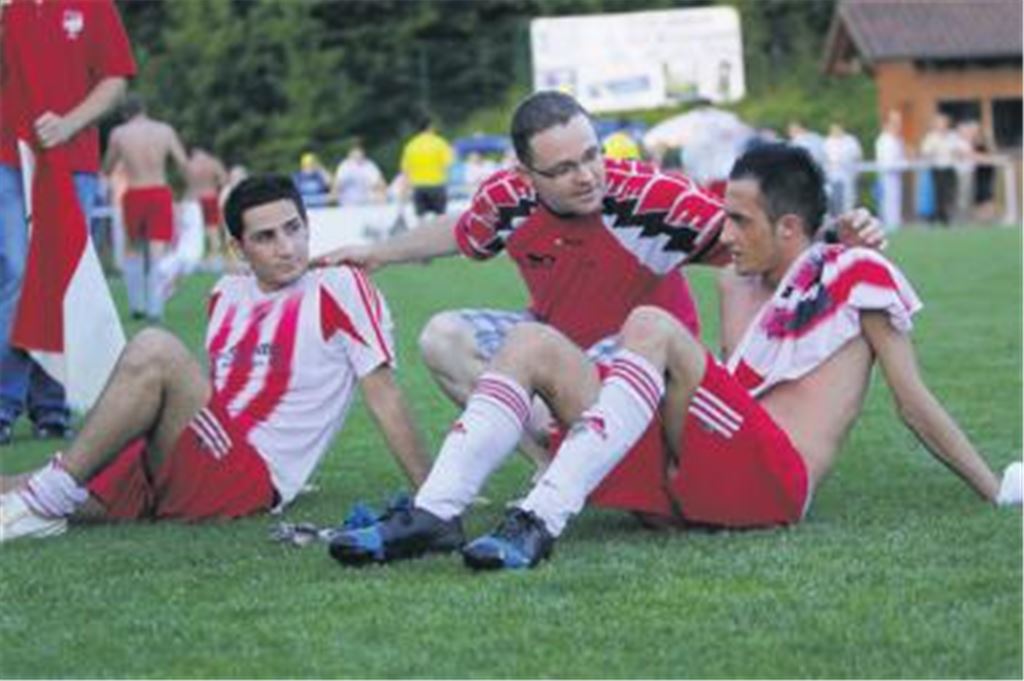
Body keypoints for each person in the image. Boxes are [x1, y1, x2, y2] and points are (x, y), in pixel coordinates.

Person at [328, 144, 1022, 570]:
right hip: (697, 479)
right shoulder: (732, 278)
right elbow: (715, 397)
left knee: (652, 323)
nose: (723, 231)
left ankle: (541, 514)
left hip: (773, 486)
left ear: (787, 226)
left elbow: (913, 403)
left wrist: (994, 489)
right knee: (528, 342)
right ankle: (436, 510)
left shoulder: (857, 276)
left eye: (740, 220)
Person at [314, 91, 878, 472]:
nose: (586, 177)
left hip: (646, 359)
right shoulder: (507, 201)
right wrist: (375, 253)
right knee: (442, 336)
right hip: (557, 348)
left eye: (592, 156)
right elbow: (461, 232)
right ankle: (552, 467)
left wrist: (837, 235)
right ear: (523, 174)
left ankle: (608, 465)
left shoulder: (651, 198)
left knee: (610, 395)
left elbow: (750, 240)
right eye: (562, 169)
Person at [0, 175, 432, 544]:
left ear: (307, 225)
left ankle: (49, 496)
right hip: (196, 453)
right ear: (239, 249)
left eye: (293, 228)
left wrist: (435, 496)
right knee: (21, 489)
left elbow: (385, 397)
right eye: (266, 237)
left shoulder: (339, 287)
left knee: (156, 348)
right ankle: (46, 495)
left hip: (249, 479)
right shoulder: (225, 294)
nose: (287, 247)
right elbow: (220, 396)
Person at [0, 0, 135, 446]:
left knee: (59, 278)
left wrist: (69, 122)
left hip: (71, 159)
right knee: (16, 273)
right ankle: (4, 402)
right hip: (7, 159)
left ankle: (51, 409)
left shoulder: (94, 6)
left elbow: (115, 79)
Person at [102, 94, 189, 321]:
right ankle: (155, 308)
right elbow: (183, 163)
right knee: (157, 251)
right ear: (144, 109)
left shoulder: (119, 133)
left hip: (134, 192)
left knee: (133, 250)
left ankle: (136, 305)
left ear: (124, 113)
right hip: (159, 191)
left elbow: (108, 167)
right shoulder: (165, 130)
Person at [183, 146, 229, 270]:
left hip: (193, 199)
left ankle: (195, 258)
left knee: (194, 231)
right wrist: (216, 187)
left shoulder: (189, 164)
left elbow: (188, 184)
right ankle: (216, 258)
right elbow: (224, 179)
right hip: (210, 196)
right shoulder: (213, 162)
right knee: (212, 229)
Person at [400, 114, 454, 218]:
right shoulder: (439, 143)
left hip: (418, 187)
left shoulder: (411, 145)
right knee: (440, 219)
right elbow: (448, 165)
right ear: (430, 127)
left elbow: (405, 171)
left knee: (421, 219)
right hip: (437, 185)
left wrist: (404, 191)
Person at [920, 113, 968, 226]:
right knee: (938, 194)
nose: (942, 126)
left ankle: (948, 215)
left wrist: (957, 153)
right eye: (940, 123)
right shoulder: (931, 137)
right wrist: (932, 152)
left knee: (950, 193)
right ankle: (939, 217)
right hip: (937, 168)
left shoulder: (952, 136)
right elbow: (925, 152)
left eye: (944, 123)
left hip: (949, 168)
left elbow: (959, 151)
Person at [874, 109, 906, 231]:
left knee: (896, 204)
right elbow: (887, 163)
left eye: (898, 122)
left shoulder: (898, 140)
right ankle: (890, 228)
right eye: (894, 122)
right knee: (888, 205)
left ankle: (895, 226)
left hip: (896, 178)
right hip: (887, 178)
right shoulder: (884, 140)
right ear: (887, 124)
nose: (898, 125)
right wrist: (904, 164)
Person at [823, 122, 863, 216]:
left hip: (848, 175)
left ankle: (849, 218)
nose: (835, 131)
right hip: (833, 175)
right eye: (833, 129)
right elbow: (825, 159)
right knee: (834, 199)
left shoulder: (851, 141)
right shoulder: (827, 142)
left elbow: (857, 156)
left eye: (837, 129)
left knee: (849, 199)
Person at [332, 142, 386, 206]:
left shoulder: (369, 165)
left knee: (380, 195)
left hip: (368, 202)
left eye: (360, 153)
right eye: (355, 154)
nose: (358, 156)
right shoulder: (344, 166)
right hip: (349, 203)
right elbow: (337, 184)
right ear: (350, 154)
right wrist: (334, 194)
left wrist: (381, 192)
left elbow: (380, 183)